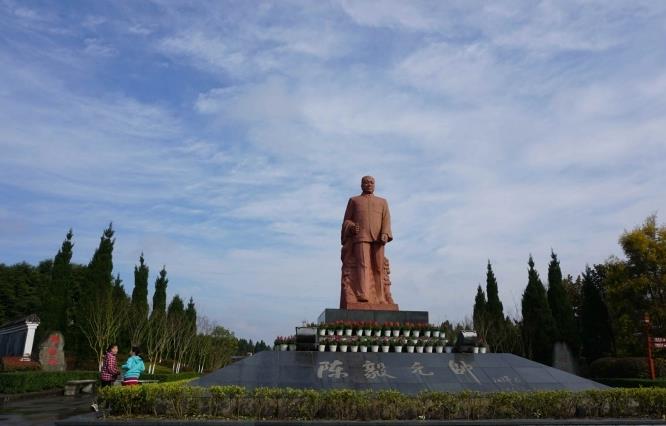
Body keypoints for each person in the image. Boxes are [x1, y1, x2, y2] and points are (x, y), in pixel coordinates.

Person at [341, 175, 393, 305]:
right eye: (366, 182)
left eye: (371, 182)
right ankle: (363, 294)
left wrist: (385, 233)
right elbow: (346, 220)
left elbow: (386, 219)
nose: (369, 184)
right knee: (363, 265)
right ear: (361, 185)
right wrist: (352, 227)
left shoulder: (382, 202)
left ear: (374, 185)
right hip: (361, 237)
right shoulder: (354, 201)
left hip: (379, 238)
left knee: (379, 268)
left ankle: (380, 297)